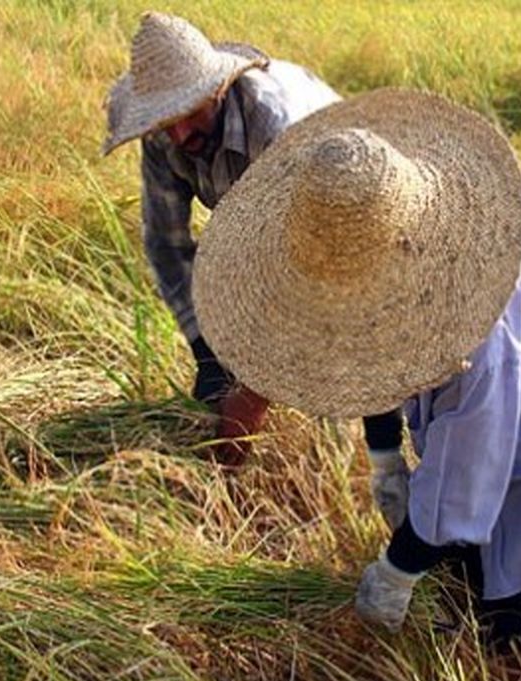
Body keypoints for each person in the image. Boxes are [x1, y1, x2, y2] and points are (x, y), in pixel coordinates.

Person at [190, 87, 521, 681]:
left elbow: (463, 475)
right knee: (477, 592)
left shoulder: (477, 326)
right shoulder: (390, 256)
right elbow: (380, 365)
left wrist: (397, 570)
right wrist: (386, 456)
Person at [101, 11, 406, 472]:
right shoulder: (167, 134)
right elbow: (167, 243)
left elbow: (313, 274)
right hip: (261, 223)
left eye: (190, 113)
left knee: (364, 329)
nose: (180, 134)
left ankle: (386, 466)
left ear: (218, 89)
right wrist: (206, 351)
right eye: (167, 122)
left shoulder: (278, 128)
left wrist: (251, 399)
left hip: (354, 213)